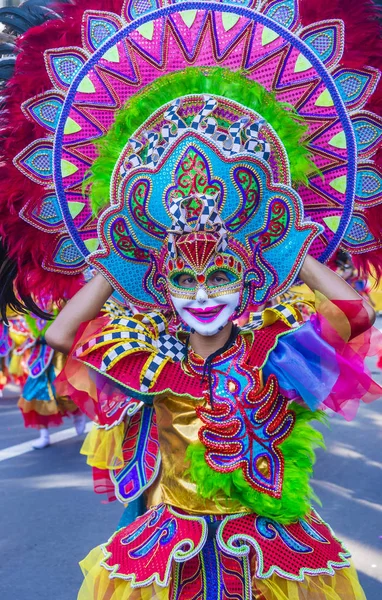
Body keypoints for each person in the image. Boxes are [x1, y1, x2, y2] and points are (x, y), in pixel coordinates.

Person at [46, 215, 380, 598]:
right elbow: (61, 334)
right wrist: (119, 262)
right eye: (185, 281)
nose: (202, 296)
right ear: (166, 291)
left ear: (246, 284)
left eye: (220, 277)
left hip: (268, 546)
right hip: (175, 544)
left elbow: (357, 314)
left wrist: (289, 247)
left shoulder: (273, 352)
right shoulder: (155, 365)